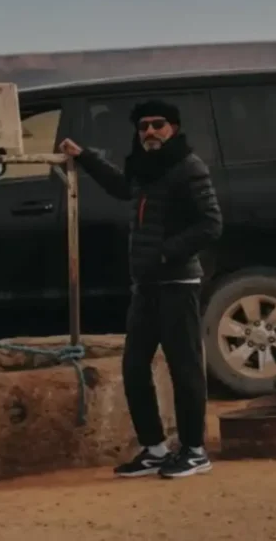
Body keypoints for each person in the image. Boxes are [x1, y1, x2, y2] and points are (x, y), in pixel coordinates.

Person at [59, 99, 223, 479]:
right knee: (134, 367)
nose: (149, 131)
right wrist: (84, 158)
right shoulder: (145, 169)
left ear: (174, 128)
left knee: (185, 369)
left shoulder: (188, 168)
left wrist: (166, 254)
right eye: (143, 126)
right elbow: (120, 186)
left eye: (158, 124)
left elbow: (211, 224)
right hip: (147, 285)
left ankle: (195, 451)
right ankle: (154, 449)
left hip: (178, 282)